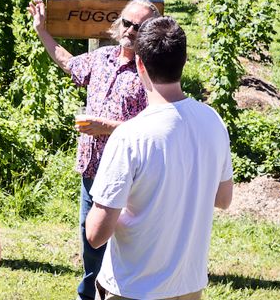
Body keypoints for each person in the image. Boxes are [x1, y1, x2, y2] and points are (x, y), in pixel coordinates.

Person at [85, 16, 233, 300]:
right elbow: (223, 199)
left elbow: (96, 234)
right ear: (184, 59)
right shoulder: (213, 120)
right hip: (188, 286)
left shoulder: (130, 136)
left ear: (139, 64)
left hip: (132, 288)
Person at [28, 0, 160, 300]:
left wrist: (107, 127)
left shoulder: (151, 74)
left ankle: (119, 292)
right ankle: (89, 292)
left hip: (130, 176)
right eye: (127, 23)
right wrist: (42, 32)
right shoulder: (102, 58)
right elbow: (68, 62)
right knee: (91, 240)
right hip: (92, 169)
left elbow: (155, 128)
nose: (130, 30)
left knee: (125, 242)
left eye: (139, 27)